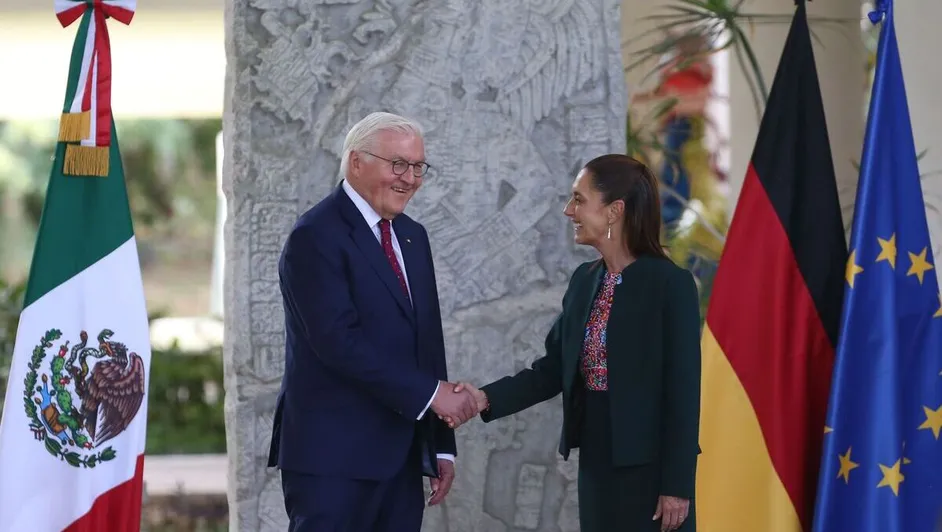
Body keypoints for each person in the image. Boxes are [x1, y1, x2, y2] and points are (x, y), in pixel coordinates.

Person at [450, 154, 702, 531]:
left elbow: (683, 393)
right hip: (598, 466)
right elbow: (551, 369)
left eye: (579, 199)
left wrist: (677, 486)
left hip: (652, 475)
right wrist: (485, 398)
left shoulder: (670, 285)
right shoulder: (584, 280)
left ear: (615, 210)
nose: (570, 211)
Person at [267, 111, 478, 531]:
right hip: (332, 460)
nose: (410, 178)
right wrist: (432, 395)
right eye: (398, 164)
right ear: (356, 162)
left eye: (418, 166)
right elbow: (336, 342)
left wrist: (440, 446)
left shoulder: (413, 236)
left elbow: (427, 343)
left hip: (400, 459)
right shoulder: (315, 235)